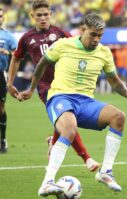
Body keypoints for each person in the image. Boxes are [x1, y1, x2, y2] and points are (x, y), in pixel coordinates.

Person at [18, 13, 127, 197]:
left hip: (85, 102)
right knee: (69, 128)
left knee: (118, 117)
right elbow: (42, 64)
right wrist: (31, 88)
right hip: (60, 97)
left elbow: (113, 81)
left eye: (100, 35)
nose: (96, 39)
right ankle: (47, 182)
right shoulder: (63, 45)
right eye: (93, 34)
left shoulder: (104, 52)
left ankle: (105, 172)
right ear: (83, 30)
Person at [7, 0, 99, 171]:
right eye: (39, 15)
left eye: (45, 14)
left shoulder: (61, 33)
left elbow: (78, 50)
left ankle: (53, 142)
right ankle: (87, 158)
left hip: (67, 84)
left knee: (65, 121)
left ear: (51, 14)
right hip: (46, 88)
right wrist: (10, 83)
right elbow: (16, 58)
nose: (42, 18)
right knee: (67, 121)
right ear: (32, 16)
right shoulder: (27, 38)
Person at [0, 7, 18, 153]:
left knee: (0, 108)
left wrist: (8, 52)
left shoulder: (8, 36)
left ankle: (3, 140)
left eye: (0, 16)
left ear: (3, 18)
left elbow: (17, 53)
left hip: (0, 74)